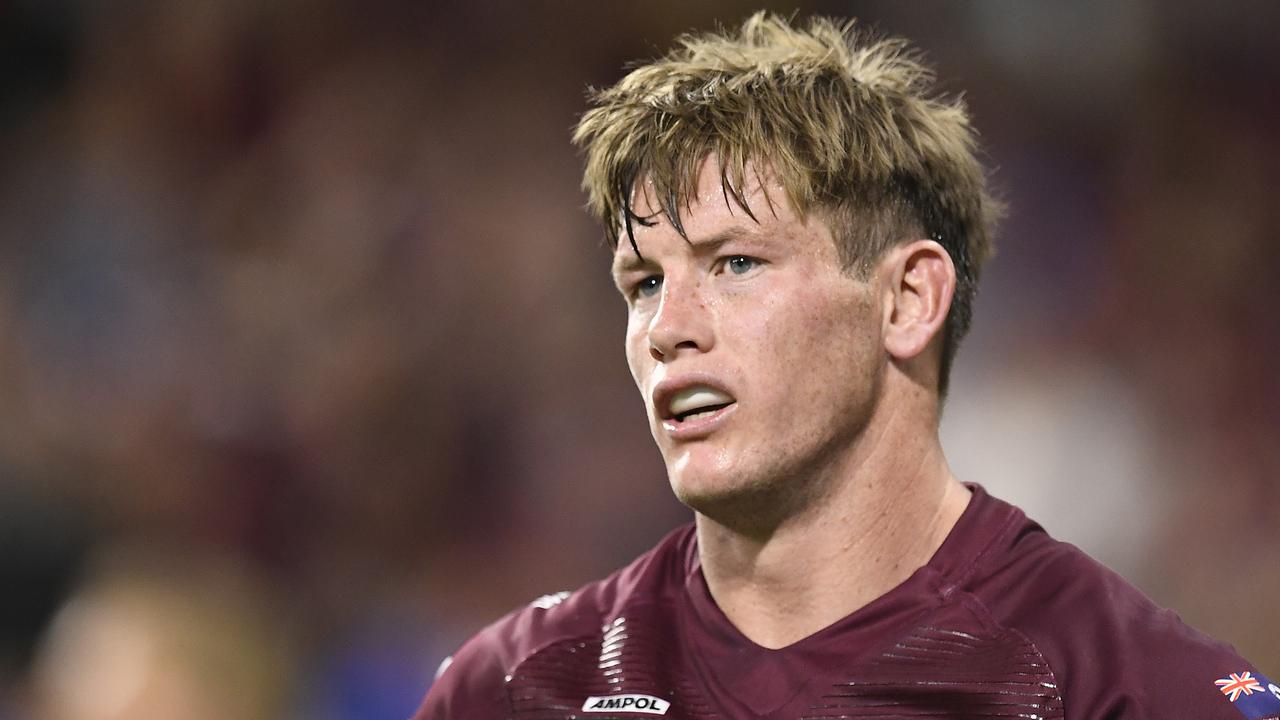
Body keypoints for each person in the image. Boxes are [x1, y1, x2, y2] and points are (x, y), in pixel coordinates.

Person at [413, 13, 1278, 720]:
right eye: (643, 283)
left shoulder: (1124, 692)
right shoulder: (515, 691)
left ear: (907, 300)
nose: (667, 328)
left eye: (737, 264)